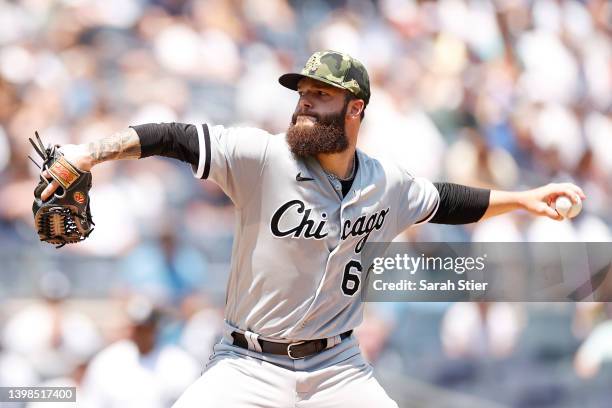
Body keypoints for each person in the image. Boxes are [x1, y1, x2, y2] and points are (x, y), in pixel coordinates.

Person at [39, 50, 585, 407]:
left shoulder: (384, 182)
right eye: (301, 94)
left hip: (338, 368)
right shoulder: (261, 157)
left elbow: (446, 201)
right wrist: (90, 152)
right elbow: (173, 137)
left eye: (319, 96)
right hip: (247, 363)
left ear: (355, 110)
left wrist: (525, 200)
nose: (303, 105)